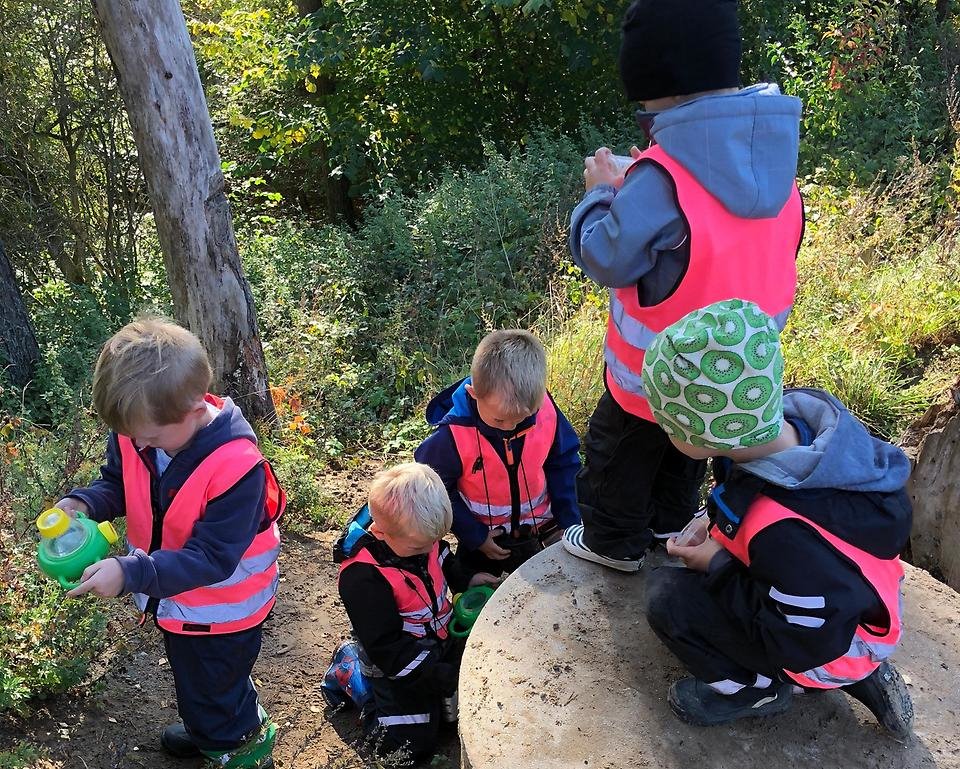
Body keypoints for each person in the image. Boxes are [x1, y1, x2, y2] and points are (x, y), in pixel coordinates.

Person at [562, 0, 804, 572]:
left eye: (646, 105)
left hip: (651, 378)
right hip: (729, 379)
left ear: (663, 91)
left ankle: (612, 544)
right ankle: (672, 525)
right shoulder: (775, 168)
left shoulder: (659, 174)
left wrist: (601, 193)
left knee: (617, 454)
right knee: (688, 453)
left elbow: (605, 256)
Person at [641, 299, 913, 738]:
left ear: (704, 434)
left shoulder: (783, 534)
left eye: (670, 423)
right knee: (816, 612)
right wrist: (716, 526)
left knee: (668, 598)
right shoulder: (793, 430)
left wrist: (716, 563)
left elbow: (795, 635)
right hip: (849, 605)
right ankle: (859, 668)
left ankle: (754, 691)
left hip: (817, 637)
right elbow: (752, 498)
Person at [56, 318, 284, 769]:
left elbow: (212, 558)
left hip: (224, 610)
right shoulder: (142, 428)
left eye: (151, 437)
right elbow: (118, 483)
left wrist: (131, 572)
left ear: (196, 410)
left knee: (215, 681)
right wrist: (83, 503)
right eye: (131, 435)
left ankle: (239, 749)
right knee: (198, 679)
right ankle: (210, 727)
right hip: (179, 600)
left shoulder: (238, 469)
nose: (140, 444)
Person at [334, 463, 499, 763]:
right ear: (380, 532)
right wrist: (436, 675)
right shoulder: (362, 577)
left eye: (433, 541)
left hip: (439, 637)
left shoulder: (420, 538)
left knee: (461, 708)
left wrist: (467, 579)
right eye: (419, 546)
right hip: (396, 663)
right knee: (410, 745)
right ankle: (349, 672)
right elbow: (386, 647)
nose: (429, 550)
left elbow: (444, 560)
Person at [415, 329, 581, 576]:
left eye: (523, 419)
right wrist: (474, 535)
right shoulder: (453, 434)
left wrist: (569, 522)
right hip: (485, 543)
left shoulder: (546, 413)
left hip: (544, 532)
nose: (510, 428)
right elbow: (436, 488)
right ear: (474, 394)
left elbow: (564, 464)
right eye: (500, 420)